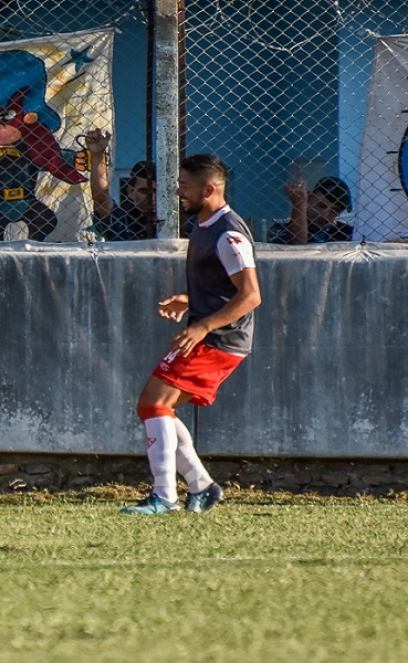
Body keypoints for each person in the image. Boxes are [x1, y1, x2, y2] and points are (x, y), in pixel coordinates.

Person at [122, 154, 261, 515]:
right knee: (154, 406)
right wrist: (191, 300)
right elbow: (223, 286)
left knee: (155, 404)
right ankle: (201, 486)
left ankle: (164, 496)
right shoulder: (204, 225)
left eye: (185, 186)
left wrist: (203, 324)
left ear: (209, 189)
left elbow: (250, 295)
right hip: (208, 335)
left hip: (219, 340)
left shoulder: (228, 233)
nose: (178, 192)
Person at [85, 128, 159, 241]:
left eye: (158, 191)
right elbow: (101, 200)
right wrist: (97, 156)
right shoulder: (122, 221)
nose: (153, 198)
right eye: (144, 191)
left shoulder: (178, 222)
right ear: (130, 192)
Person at [267, 176, 353, 244]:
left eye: (334, 210)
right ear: (310, 198)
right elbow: (296, 243)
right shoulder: (281, 228)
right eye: (321, 206)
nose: (325, 214)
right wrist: (299, 205)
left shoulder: (345, 232)